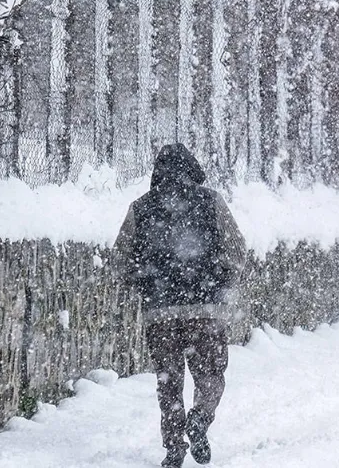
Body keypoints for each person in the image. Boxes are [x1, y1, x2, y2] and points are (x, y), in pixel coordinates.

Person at [113, 144, 246, 467]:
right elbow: (236, 248)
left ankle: (174, 446)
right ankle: (200, 419)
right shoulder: (210, 201)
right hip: (206, 309)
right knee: (211, 374)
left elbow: (120, 259)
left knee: (168, 382)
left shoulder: (141, 208)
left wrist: (145, 281)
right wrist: (222, 280)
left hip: (160, 312)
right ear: (192, 168)